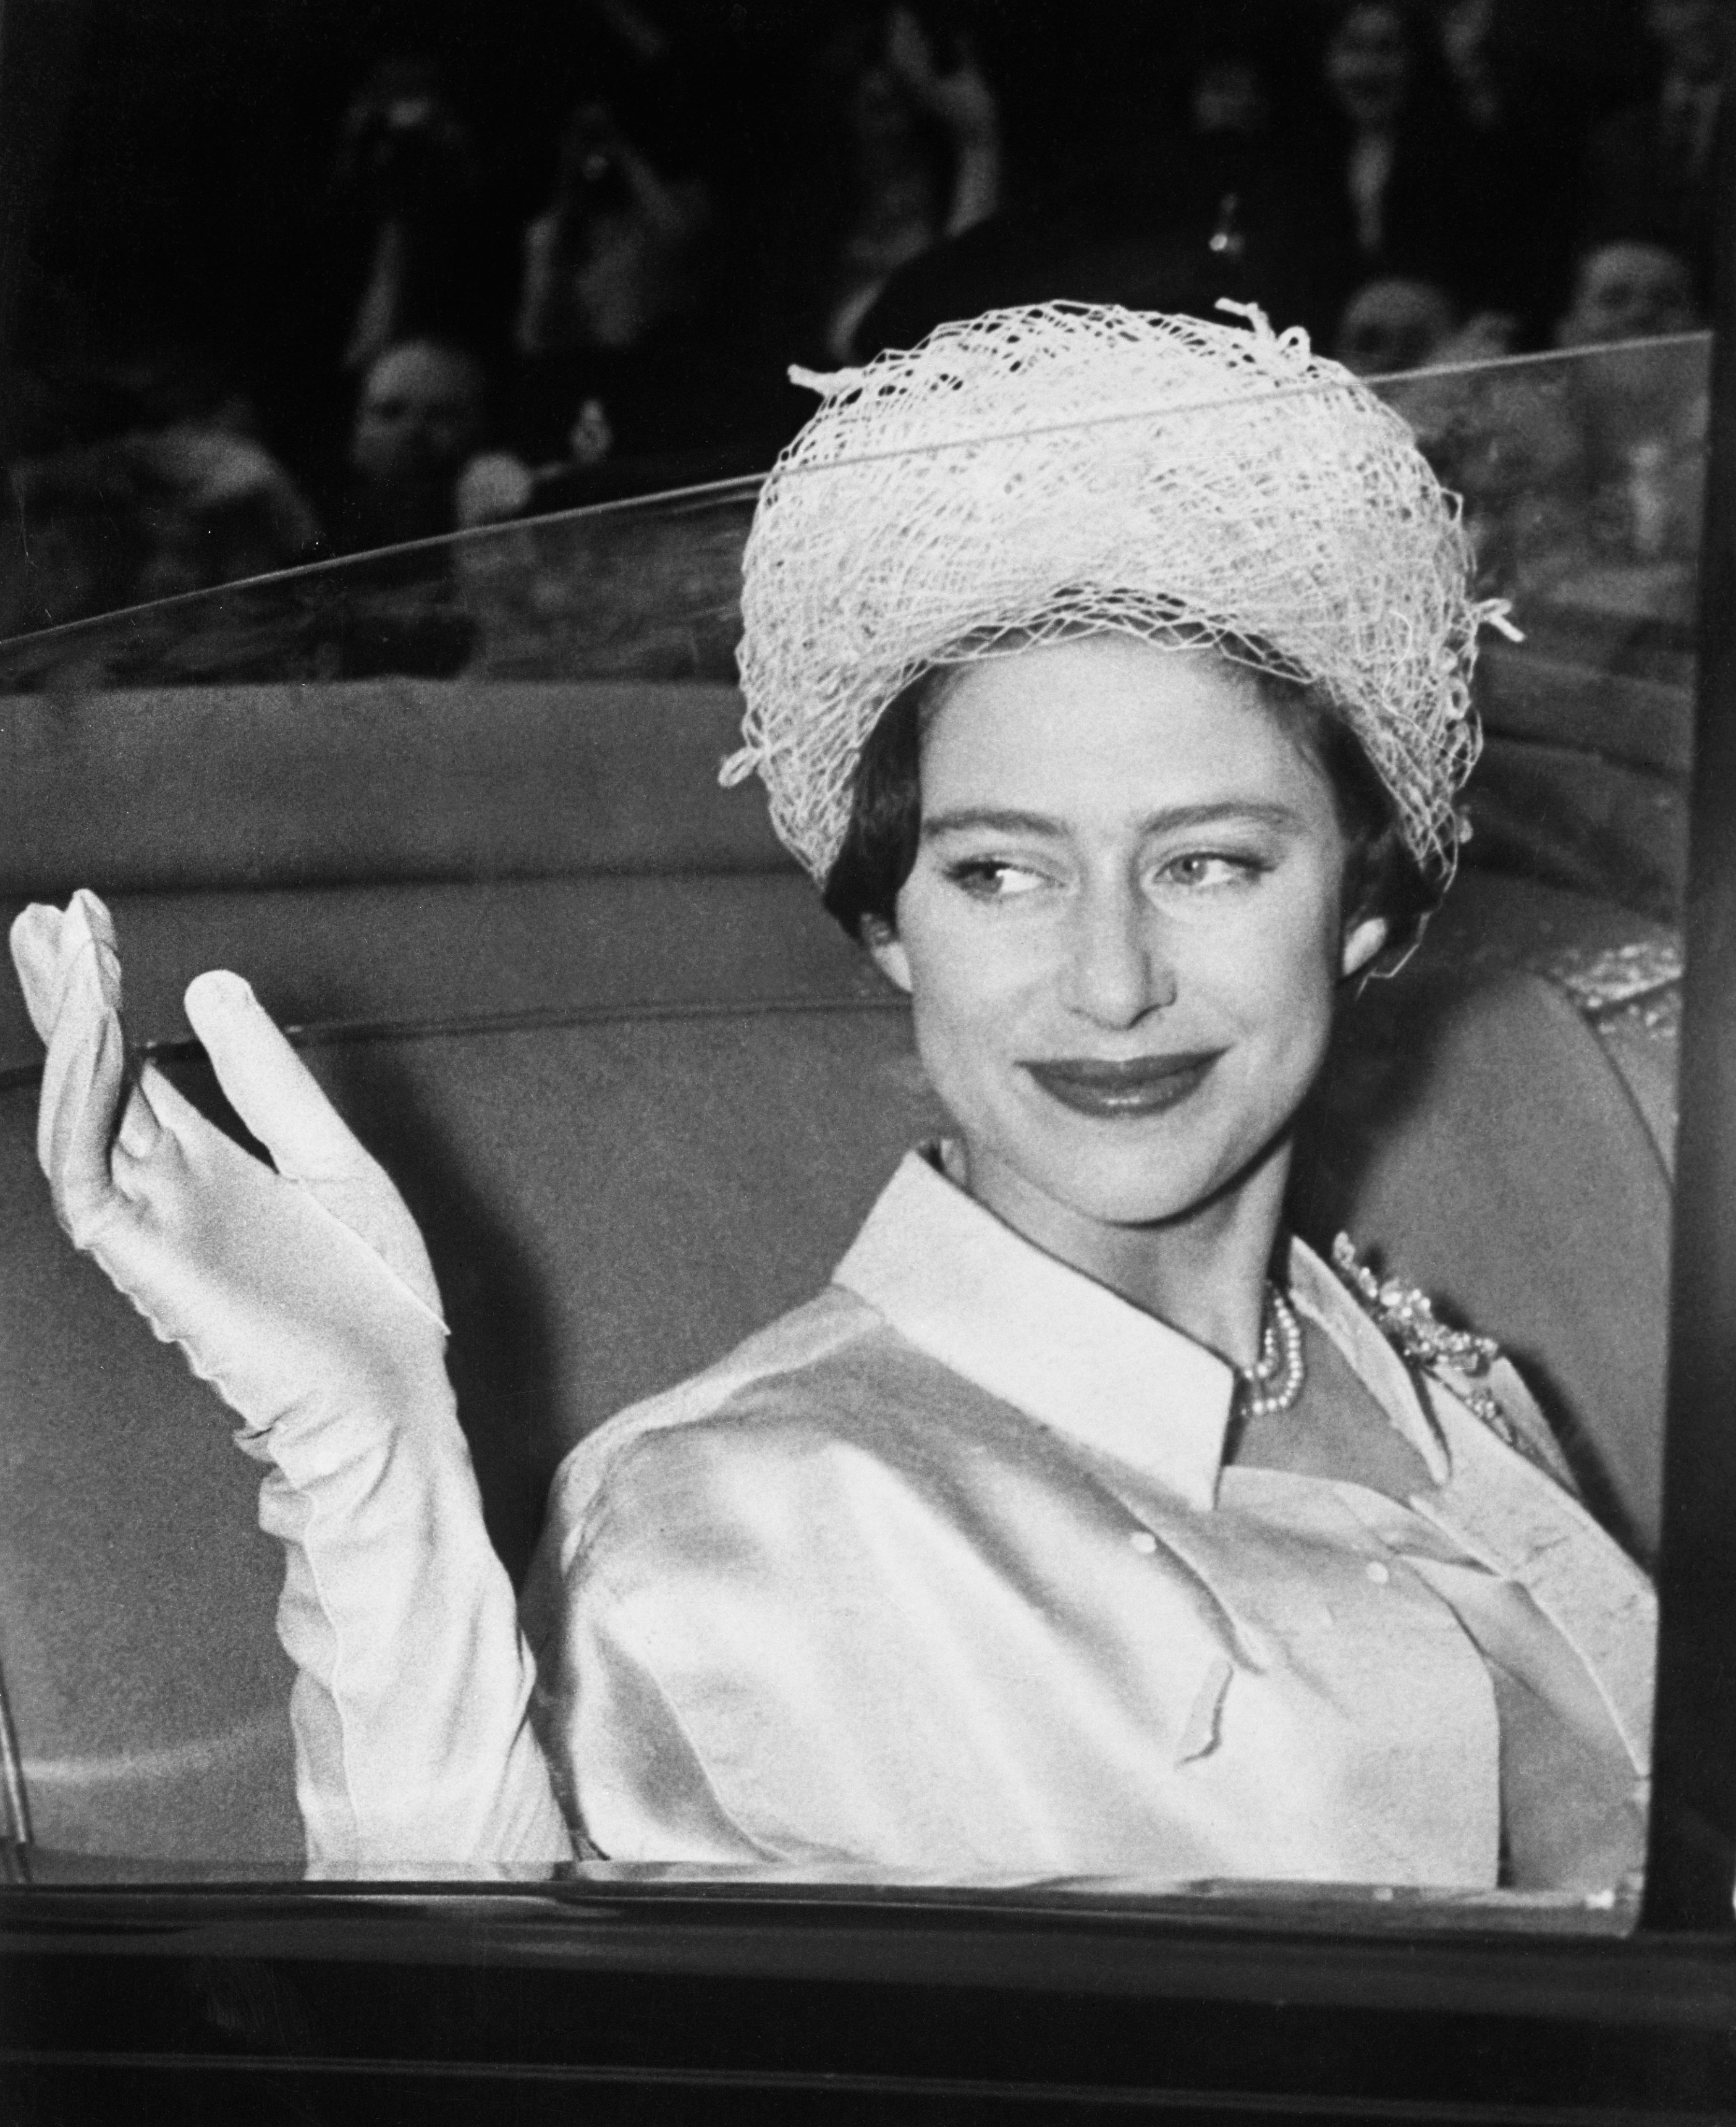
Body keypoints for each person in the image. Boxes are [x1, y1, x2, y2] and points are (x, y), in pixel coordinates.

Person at [11, 302, 1655, 1888]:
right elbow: (554, 2053)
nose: (1108, 980)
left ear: (1362, 910)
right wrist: (362, 1471)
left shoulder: (1411, 1359)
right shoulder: (750, 1518)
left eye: (1207, 861)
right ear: (891, 929)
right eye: (1001, 871)